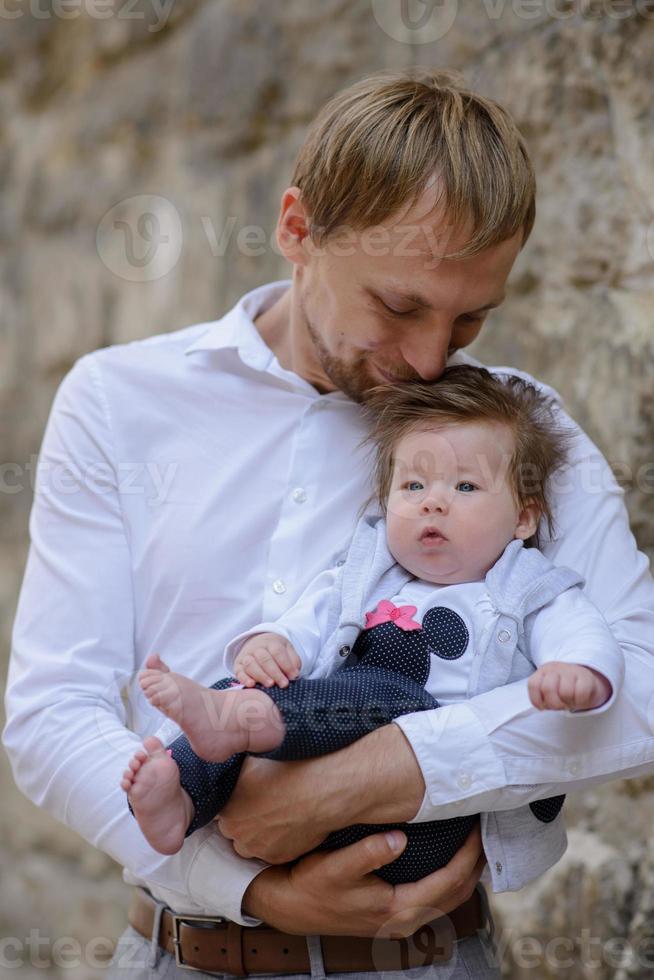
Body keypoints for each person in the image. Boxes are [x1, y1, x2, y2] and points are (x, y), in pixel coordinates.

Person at [3, 68, 654, 980]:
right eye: (399, 306)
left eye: (470, 321)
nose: (431, 360)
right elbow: (50, 712)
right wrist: (241, 880)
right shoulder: (118, 403)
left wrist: (381, 770)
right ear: (297, 228)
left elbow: (641, 689)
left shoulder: (519, 432)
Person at [122, 367, 623, 891]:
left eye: (466, 485)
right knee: (241, 692)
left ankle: (247, 722)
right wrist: (273, 646)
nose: (433, 501)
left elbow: (583, 632)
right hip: (314, 800)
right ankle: (179, 798)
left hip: (424, 827)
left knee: (388, 693)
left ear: (523, 519)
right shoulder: (362, 576)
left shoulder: (529, 589)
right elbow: (306, 621)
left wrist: (579, 670)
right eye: (413, 485)